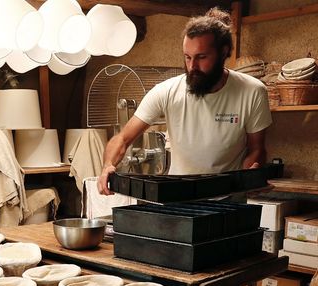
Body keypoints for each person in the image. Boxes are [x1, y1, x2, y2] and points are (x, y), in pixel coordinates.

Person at [98, 8, 272, 195]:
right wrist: (108, 166)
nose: (192, 67)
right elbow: (123, 138)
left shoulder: (252, 91)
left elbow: (257, 149)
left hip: (228, 198)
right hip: (178, 196)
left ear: (224, 52)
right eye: (187, 57)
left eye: (201, 57)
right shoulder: (166, 91)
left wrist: (252, 174)